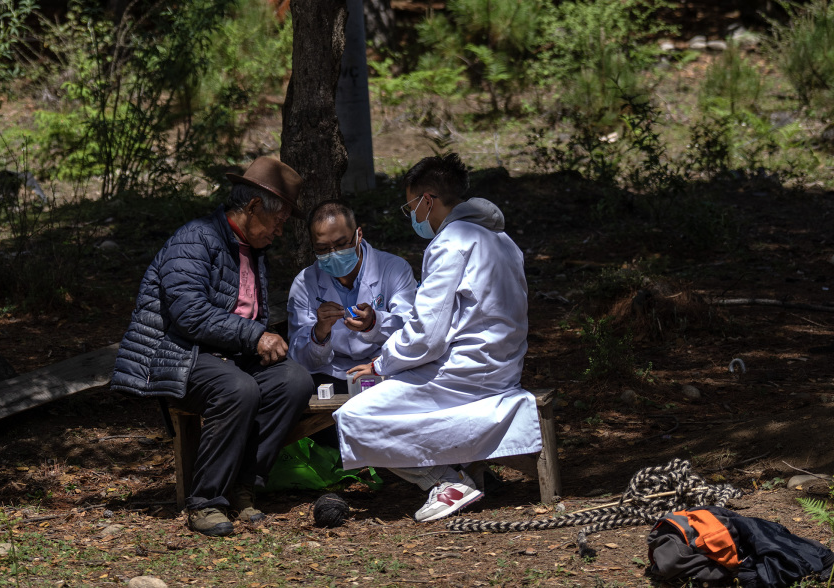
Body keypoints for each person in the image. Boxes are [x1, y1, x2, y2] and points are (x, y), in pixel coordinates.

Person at [110, 156, 314, 538]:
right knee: (237, 388)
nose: (280, 230)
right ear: (253, 207)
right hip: (177, 355)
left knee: (294, 381)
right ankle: (205, 501)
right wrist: (256, 337)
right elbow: (188, 313)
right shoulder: (196, 238)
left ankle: (243, 486)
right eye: (279, 220)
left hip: (228, 356)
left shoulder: (253, 250)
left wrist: (256, 340)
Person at [335, 152, 541, 524]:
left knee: (354, 416)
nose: (412, 216)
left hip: (464, 373)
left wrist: (382, 364)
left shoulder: (450, 243)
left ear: (427, 200)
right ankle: (468, 472)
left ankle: (445, 482)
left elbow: (427, 336)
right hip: (503, 368)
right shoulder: (502, 240)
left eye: (410, 206)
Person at [286, 199, 417, 394]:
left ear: (358, 235)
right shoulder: (305, 283)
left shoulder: (394, 269)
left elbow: (411, 330)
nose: (333, 254)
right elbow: (300, 356)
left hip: (384, 366)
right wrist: (319, 333)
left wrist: (375, 323)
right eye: (322, 249)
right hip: (330, 372)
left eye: (341, 244)